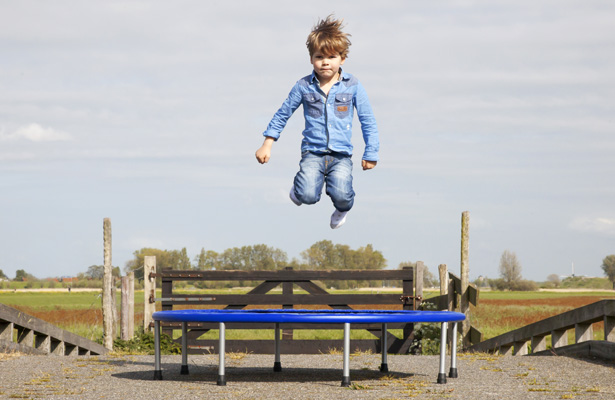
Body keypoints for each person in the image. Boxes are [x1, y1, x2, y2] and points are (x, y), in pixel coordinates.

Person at [255, 15, 379, 229]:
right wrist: (267, 143)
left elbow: (367, 120)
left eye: (331, 56)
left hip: (340, 155)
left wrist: (371, 152)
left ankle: (341, 209)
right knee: (307, 195)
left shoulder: (353, 86)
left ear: (342, 58)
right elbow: (283, 113)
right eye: (319, 56)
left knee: (342, 194)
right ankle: (299, 188)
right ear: (311, 59)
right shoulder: (303, 86)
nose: (325, 62)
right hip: (313, 152)